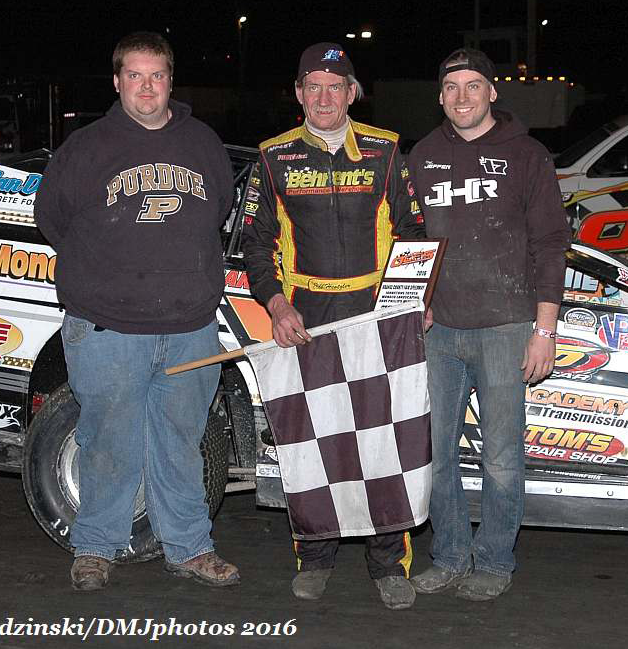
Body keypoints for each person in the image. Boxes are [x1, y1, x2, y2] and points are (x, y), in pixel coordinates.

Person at [34, 31, 239, 591]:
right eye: (135, 76)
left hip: (191, 329)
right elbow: (51, 219)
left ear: (170, 81)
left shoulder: (202, 143)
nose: (146, 87)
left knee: (182, 442)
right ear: (118, 80)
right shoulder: (86, 147)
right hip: (107, 329)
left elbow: (218, 208)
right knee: (106, 441)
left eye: (157, 76)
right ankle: (96, 548)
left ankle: (190, 548)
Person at [242, 42, 426, 610]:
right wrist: (277, 305)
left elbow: (416, 232)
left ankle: (388, 563)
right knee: (312, 440)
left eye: (335, 86)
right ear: (299, 94)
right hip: (307, 318)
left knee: (382, 439)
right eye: (312, 86)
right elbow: (255, 242)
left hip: (377, 315)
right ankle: (315, 555)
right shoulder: (273, 157)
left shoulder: (387, 149)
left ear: (353, 93)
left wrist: (402, 304)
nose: (324, 97)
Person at [407, 48, 570, 601]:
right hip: (438, 333)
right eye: (451, 87)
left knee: (502, 456)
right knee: (436, 453)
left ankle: (497, 560)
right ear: (440, 96)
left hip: (506, 328)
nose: (462, 97)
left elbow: (551, 244)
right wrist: (415, 298)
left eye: (473, 85)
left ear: (492, 92)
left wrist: (544, 329)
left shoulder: (527, 155)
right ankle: (450, 554)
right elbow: (409, 242)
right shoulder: (421, 156)